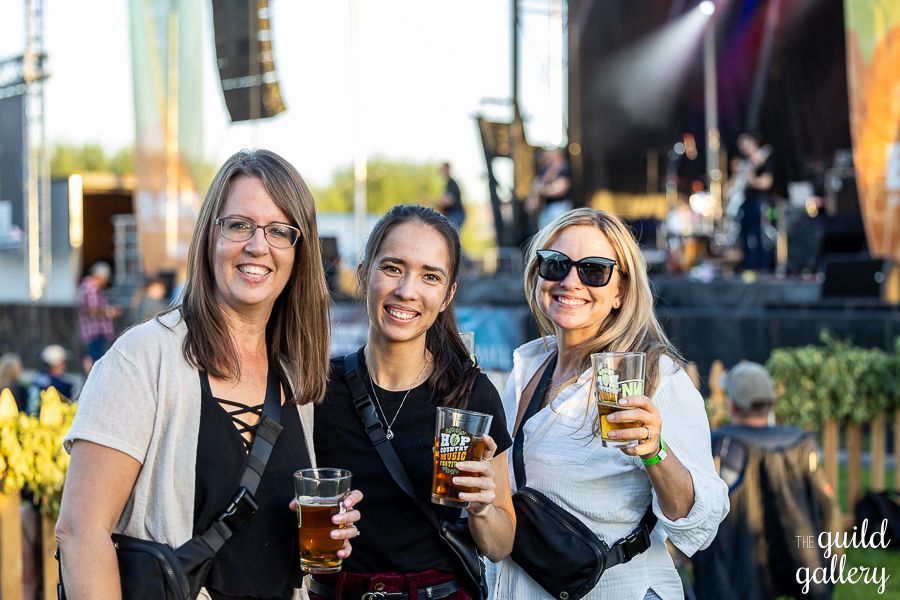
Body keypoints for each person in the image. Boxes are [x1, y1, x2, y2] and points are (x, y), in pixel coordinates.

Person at [56, 149, 362, 599]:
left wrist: (324, 533)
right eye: (239, 225)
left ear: (299, 254)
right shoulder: (142, 359)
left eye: (280, 231)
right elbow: (80, 533)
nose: (258, 246)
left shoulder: (295, 379)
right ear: (209, 236)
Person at [493, 207, 729, 599]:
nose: (570, 281)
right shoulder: (528, 366)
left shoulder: (656, 377)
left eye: (594, 270)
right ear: (538, 275)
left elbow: (699, 519)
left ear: (621, 290)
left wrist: (655, 453)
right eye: (555, 265)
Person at [312, 205, 515, 599]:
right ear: (363, 273)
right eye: (392, 268)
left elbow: (500, 545)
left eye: (430, 276)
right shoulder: (318, 389)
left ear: (447, 295)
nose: (407, 290)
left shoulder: (471, 394)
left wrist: (482, 508)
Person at [692, 361, 839, 600]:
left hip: (739, 568)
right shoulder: (801, 443)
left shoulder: (721, 443)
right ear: (772, 402)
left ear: (731, 404)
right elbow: (825, 504)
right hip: (799, 556)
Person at [727, 133, 773, 271]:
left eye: (744, 143)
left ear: (753, 142)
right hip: (744, 203)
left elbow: (767, 182)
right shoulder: (743, 162)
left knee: (759, 234)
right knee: (745, 234)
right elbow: (733, 185)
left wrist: (751, 179)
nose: (742, 147)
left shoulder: (763, 158)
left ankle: (762, 265)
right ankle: (748, 263)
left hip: (759, 202)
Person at [77, 261, 122, 370]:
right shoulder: (91, 287)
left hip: (91, 332)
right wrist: (111, 312)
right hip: (95, 332)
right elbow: (93, 310)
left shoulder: (86, 286)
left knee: (93, 362)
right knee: (97, 365)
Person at [526, 149, 572, 232]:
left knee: (557, 232)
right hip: (545, 208)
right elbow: (535, 185)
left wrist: (541, 190)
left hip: (558, 207)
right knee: (545, 235)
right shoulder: (545, 169)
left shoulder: (564, 168)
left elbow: (560, 189)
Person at [436, 162, 466, 230]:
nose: (442, 172)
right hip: (454, 214)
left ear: (447, 169)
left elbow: (449, 201)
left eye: (443, 169)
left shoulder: (451, 183)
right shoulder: (448, 183)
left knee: (452, 236)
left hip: (456, 214)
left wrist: (434, 201)